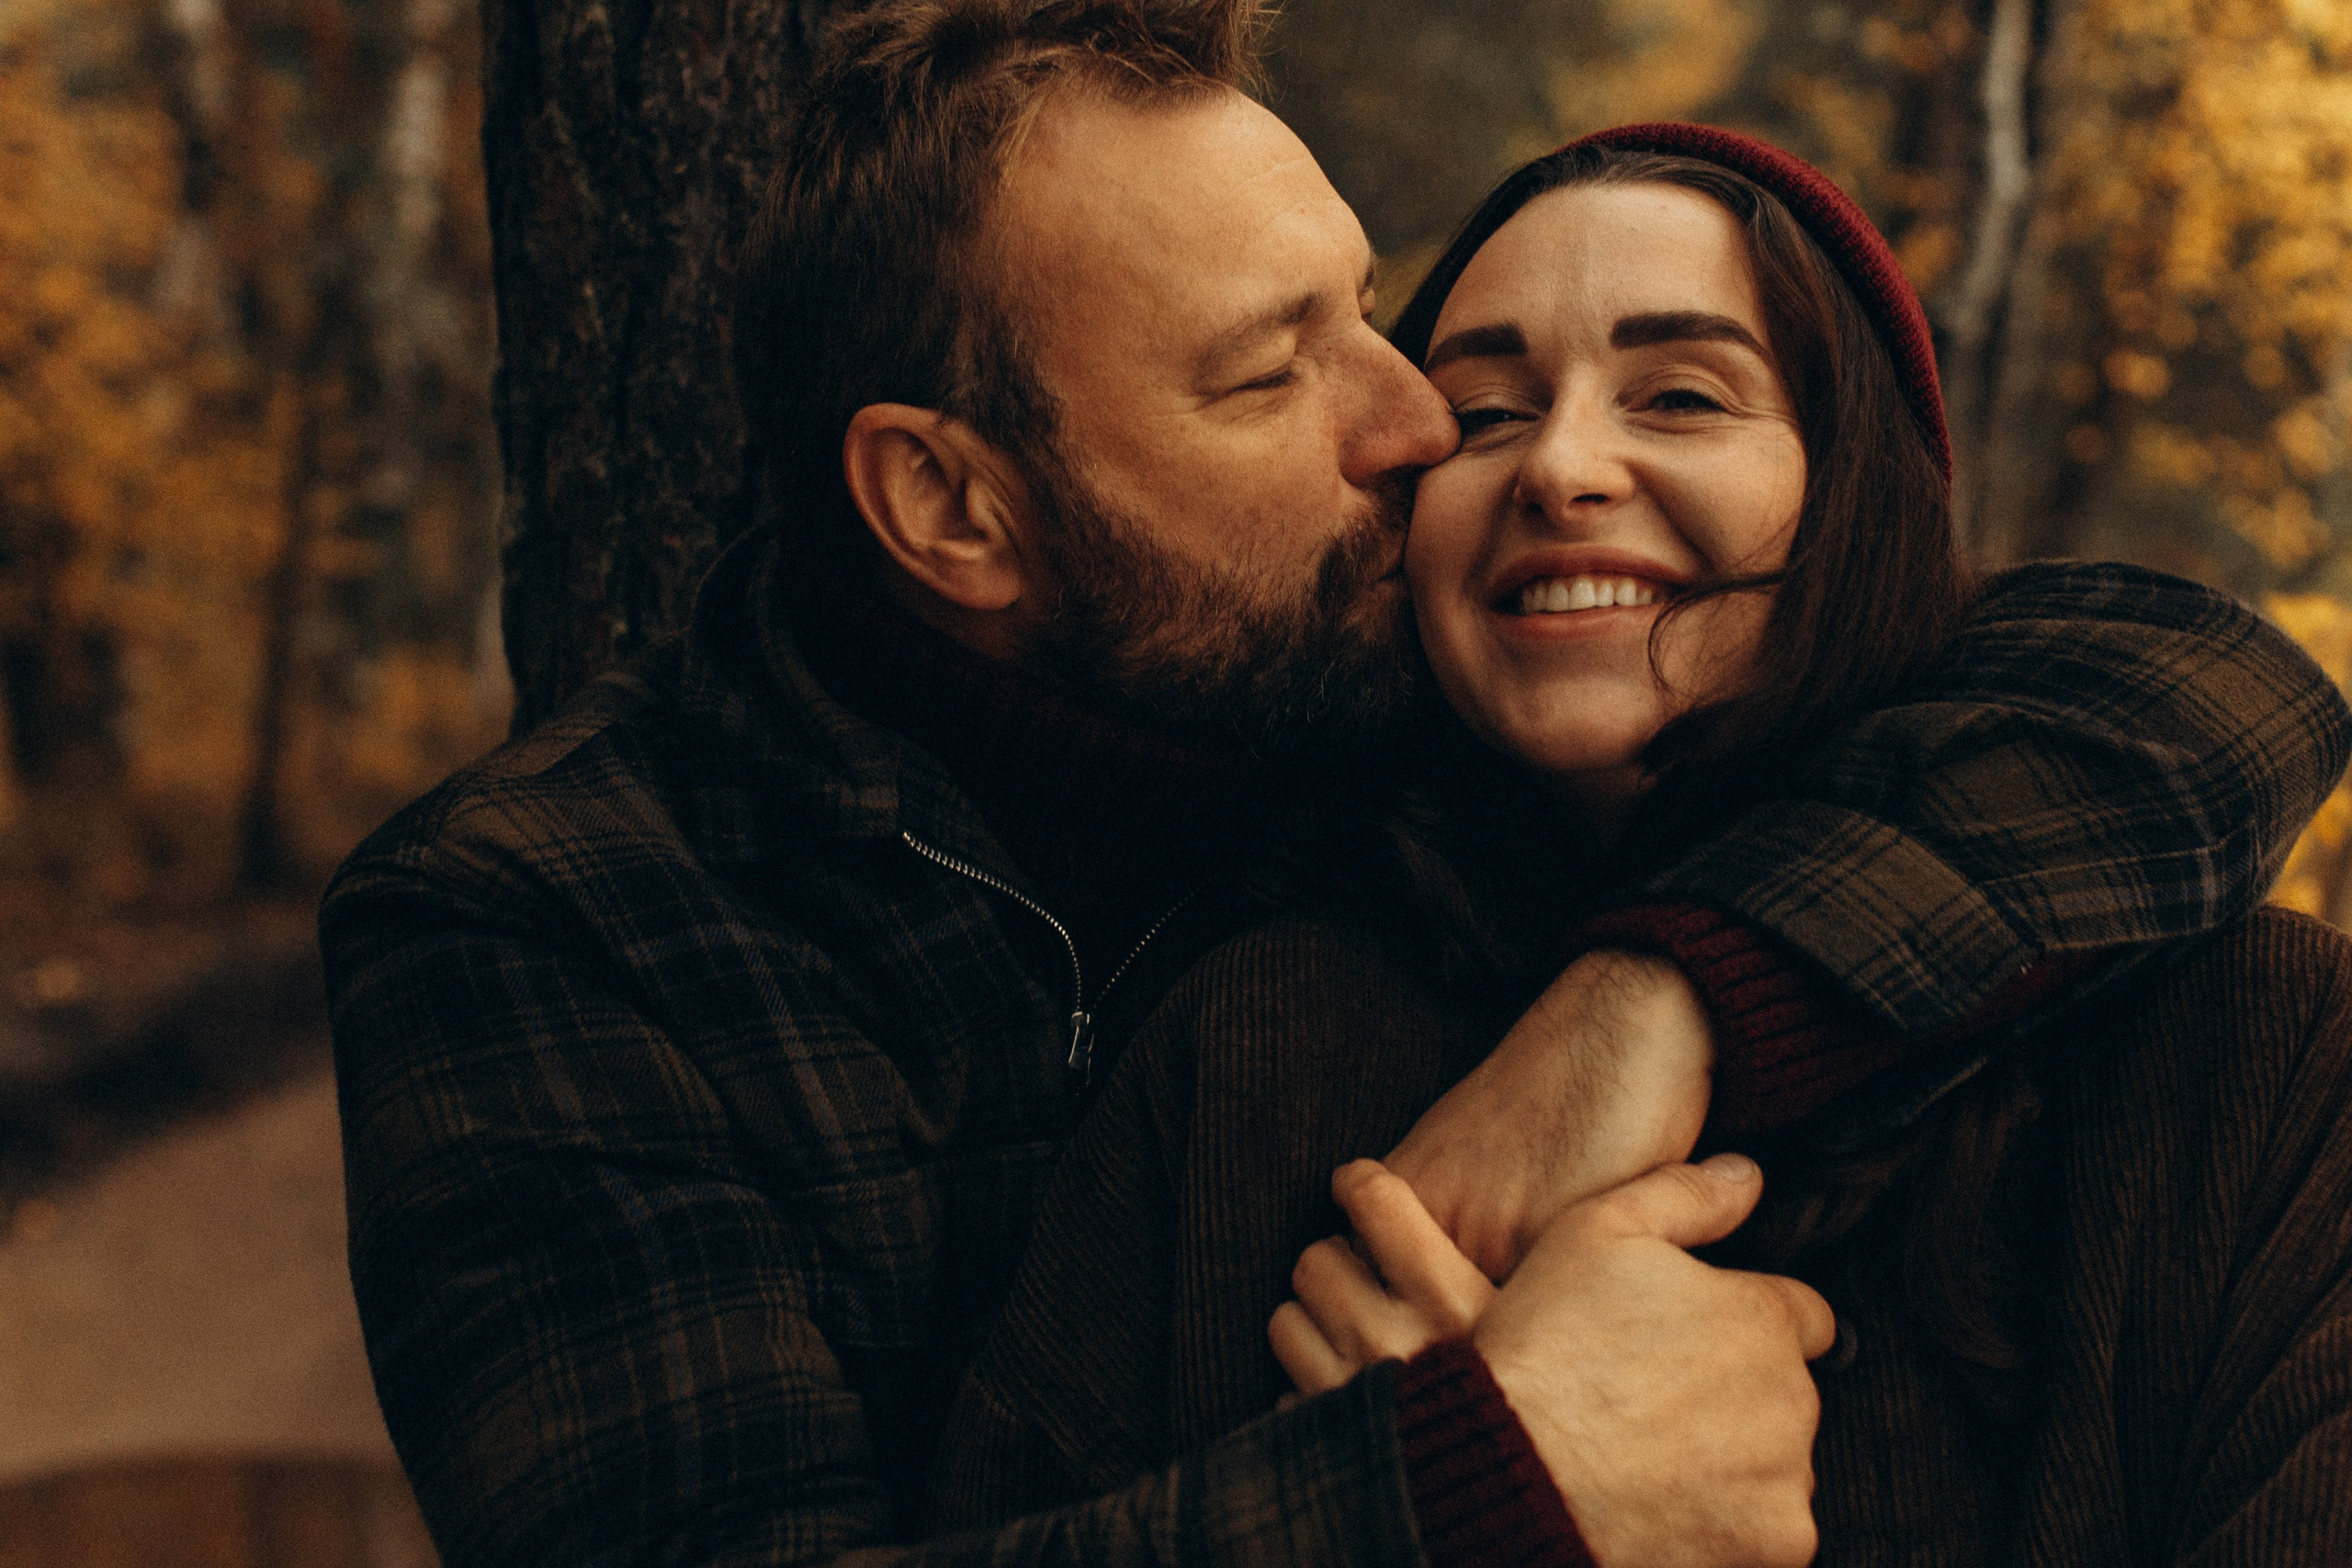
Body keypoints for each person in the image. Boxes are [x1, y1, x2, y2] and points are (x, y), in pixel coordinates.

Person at [319, 5, 2350, 1564]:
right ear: (951, 502)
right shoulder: (554, 921)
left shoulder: (1378, 696)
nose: (1422, 435)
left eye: (1370, 315)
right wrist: (1471, 1484)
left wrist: (1652, 999)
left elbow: (2198, 687)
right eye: (1270, 367)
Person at [925, 125, 2352, 1565]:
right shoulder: (1250, 1041)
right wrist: (1452, 1492)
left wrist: (1661, 1000)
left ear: (1856, 492)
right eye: (1482, 414)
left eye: (1680, 395)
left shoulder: (2252, 1049)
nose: (1561, 466)